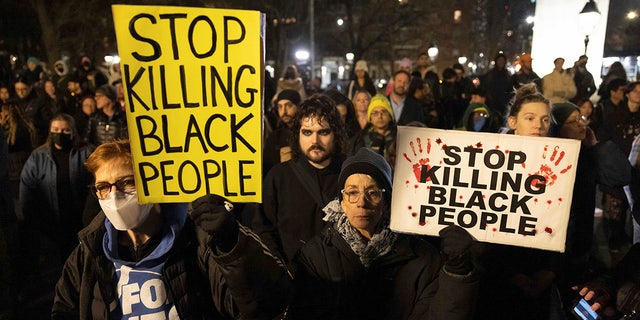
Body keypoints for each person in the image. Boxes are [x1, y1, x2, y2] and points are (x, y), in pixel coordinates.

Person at [51, 140, 291, 318]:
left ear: (152, 181)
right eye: (103, 186)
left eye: (126, 182)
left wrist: (231, 245)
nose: (114, 195)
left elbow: (267, 305)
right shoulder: (88, 252)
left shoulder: (199, 241)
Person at [289, 147, 478, 319]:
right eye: (352, 193)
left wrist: (457, 273)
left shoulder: (423, 258)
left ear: (386, 202)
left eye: (372, 193)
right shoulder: (315, 256)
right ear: (342, 202)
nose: (361, 202)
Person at [475, 83, 564, 319]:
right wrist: (511, 274)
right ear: (513, 122)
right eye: (530, 118)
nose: (539, 125)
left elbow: (565, 218)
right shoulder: (489, 160)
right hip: (497, 275)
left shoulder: (558, 163)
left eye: (545, 120)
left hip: (541, 274)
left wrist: (550, 270)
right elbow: (482, 219)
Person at [548, 102, 631, 311]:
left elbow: (621, 176)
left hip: (579, 252)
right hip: (548, 256)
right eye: (573, 121)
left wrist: (595, 145)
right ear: (557, 128)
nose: (581, 125)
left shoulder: (588, 156)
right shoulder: (545, 160)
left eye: (582, 119)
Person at [251, 94, 347, 266]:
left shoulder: (350, 175)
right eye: (307, 132)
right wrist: (281, 268)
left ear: (336, 134)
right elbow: (263, 228)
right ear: (297, 134)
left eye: (323, 132)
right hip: (293, 281)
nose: (315, 141)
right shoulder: (279, 177)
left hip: (342, 282)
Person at [20, 113, 94, 260]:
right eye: (55, 129)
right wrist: (33, 221)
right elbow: (27, 189)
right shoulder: (38, 156)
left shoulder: (86, 153)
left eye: (65, 130)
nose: (60, 134)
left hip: (79, 220)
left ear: (73, 131)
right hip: (49, 223)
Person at [596, 81, 640, 264]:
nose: (638, 94)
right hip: (616, 170)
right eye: (636, 91)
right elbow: (604, 140)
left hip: (637, 171)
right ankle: (613, 248)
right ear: (628, 93)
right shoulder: (615, 116)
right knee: (614, 212)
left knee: (634, 212)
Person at [263, 89, 301, 174]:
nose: (284, 111)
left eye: (288, 106)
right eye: (280, 107)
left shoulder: (306, 134)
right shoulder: (274, 137)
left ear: (298, 106)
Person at [481, 52, 512, 122]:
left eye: (503, 61)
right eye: (499, 60)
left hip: (503, 106)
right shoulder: (490, 75)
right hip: (491, 105)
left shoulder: (507, 76)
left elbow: (510, 91)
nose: (501, 62)